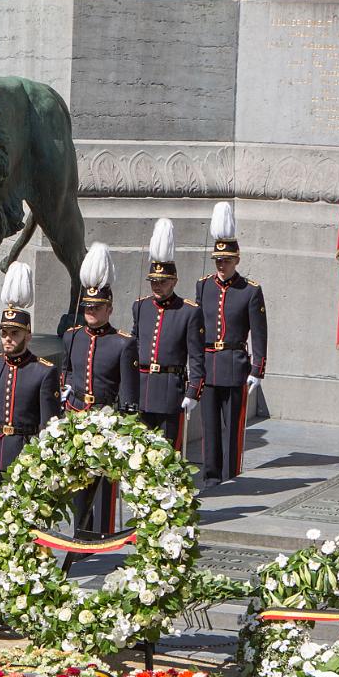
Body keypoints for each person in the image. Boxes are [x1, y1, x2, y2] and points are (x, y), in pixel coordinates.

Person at [59, 244, 138, 536]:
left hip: (106, 420)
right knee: (79, 485)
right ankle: (81, 535)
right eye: (87, 307)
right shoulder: (72, 337)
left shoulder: (122, 343)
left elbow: (129, 395)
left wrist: (125, 427)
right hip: (78, 417)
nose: (90, 312)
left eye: (97, 307)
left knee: (104, 486)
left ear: (109, 308)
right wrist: (65, 393)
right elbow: (66, 372)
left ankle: (102, 536)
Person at [0, 264, 60, 506]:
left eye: (15, 333)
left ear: (28, 335)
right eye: (4, 333)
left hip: (26, 454)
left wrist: (43, 457)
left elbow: (49, 422)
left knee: (23, 518)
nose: (8, 339)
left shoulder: (43, 371)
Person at [195, 200, 266, 484]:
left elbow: (259, 332)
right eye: (218, 261)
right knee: (209, 425)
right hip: (209, 364)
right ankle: (212, 475)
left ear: (237, 260)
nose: (221, 266)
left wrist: (257, 369)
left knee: (233, 428)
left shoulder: (249, 291)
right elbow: (197, 329)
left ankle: (231, 472)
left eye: (226, 261)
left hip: (235, 364)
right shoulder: (203, 286)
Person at [131, 216, 203, 451]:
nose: (157, 286)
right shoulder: (140, 306)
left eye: (162, 281)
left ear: (174, 281)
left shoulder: (188, 311)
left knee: (169, 453)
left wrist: (193, 391)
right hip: (143, 389)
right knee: (139, 453)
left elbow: (196, 356)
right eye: (153, 281)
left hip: (171, 390)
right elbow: (134, 346)